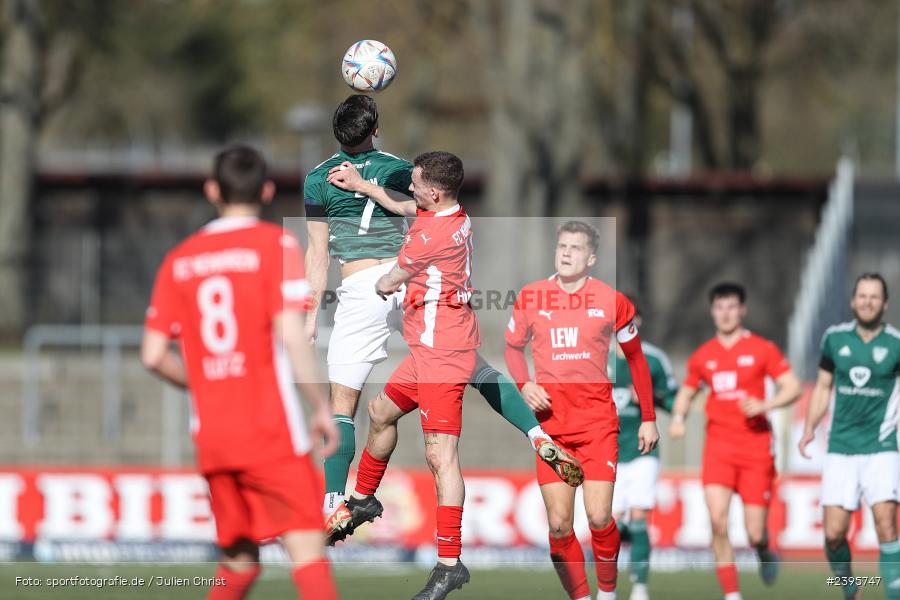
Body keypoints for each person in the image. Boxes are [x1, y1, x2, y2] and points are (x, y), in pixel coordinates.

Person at [306, 95, 582, 543]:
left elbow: (318, 252)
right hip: (422, 292)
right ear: (375, 129)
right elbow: (424, 200)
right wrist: (375, 186)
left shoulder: (317, 179)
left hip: (372, 285)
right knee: (465, 369)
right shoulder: (403, 172)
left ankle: (334, 503)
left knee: (346, 407)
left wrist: (308, 312)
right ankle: (536, 434)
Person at [142, 145, 340, 600]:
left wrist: (203, 383)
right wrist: (320, 407)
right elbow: (291, 335)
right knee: (308, 555)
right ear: (267, 190)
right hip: (269, 431)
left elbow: (153, 354)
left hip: (213, 438)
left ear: (212, 190)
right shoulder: (274, 245)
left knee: (239, 562)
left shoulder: (180, 258)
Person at [341, 151, 477, 599]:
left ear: (434, 193)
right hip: (427, 348)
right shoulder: (448, 212)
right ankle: (363, 499)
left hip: (443, 352)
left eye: (416, 182)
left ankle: (449, 564)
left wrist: (376, 282)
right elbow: (404, 207)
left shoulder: (430, 237)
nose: (410, 187)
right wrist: (364, 188)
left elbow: (386, 283)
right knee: (381, 413)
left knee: (441, 457)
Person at [504, 221, 660, 600]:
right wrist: (525, 384)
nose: (566, 252)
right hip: (551, 430)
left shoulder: (611, 300)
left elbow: (636, 359)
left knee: (600, 518)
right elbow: (512, 348)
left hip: (596, 426)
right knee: (559, 526)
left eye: (575, 247)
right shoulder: (532, 296)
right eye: (562, 246)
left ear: (591, 258)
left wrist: (649, 419)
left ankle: (607, 593)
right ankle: (582, 597)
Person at [669, 282, 801, 600]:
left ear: (742, 310)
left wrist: (766, 405)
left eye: (731, 307)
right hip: (718, 449)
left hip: (755, 449)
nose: (725, 313)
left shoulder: (762, 349)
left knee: (755, 533)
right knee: (717, 521)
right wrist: (677, 418)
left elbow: (792, 386)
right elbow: (687, 391)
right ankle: (732, 595)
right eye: (719, 307)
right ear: (712, 311)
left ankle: (765, 551)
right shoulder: (703, 356)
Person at [799, 273, 900, 600]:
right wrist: (809, 428)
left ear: (885, 303)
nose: (867, 302)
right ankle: (851, 589)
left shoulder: (896, 344)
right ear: (853, 301)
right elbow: (823, 386)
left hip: (881, 446)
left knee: (886, 523)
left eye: (874, 297)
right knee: (833, 535)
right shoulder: (834, 339)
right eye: (862, 296)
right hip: (841, 449)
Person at [609, 296, 677, 600]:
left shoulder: (653, 359)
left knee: (638, 517)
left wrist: (652, 398)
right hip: (607, 452)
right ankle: (606, 586)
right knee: (608, 523)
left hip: (642, 451)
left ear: (638, 322)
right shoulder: (594, 358)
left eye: (630, 318)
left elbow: (674, 400)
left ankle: (639, 586)